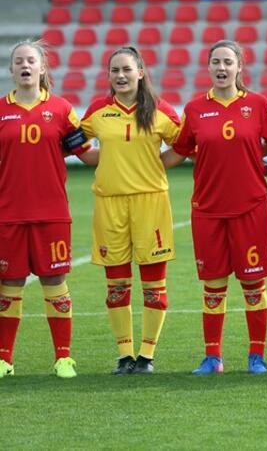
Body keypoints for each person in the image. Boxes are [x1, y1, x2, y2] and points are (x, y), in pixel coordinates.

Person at [163, 41, 267, 375]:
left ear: (239, 67)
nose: (221, 68)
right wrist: (135, 166)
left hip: (250, 207)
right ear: (208, 68)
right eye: (215, 62)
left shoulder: (258, 105)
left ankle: (256, 356)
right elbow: (178, 151)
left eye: (227, 62)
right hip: (208, 208)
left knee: (253, 285)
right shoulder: (194, 110)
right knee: (214, 285)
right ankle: (213, 357)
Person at [81, 46, 180, 375]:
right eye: (114, 70)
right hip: (110, 204)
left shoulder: (159, 110)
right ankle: (125, 355)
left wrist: (156, 167)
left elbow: (184, 145)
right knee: (117, 285)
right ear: (108, 76)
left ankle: (147, 356)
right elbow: (75, 145)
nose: (120, 76)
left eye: (126, 69)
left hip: (150, 203)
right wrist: (106, 163)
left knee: (154, 284)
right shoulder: (97, 112)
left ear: (140, 72)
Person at [0, 41, 91, 380]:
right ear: (12, 70)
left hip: (52, 212)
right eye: (19, 61)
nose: (25, 65)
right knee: (9, 282)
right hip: (8, 212)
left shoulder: (62, 109)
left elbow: (85, 153)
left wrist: (130, 154)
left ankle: (64, 358)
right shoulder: (0, 110)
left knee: (54, 280)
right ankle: (4, 359)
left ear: (42, 69)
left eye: (31, 60)